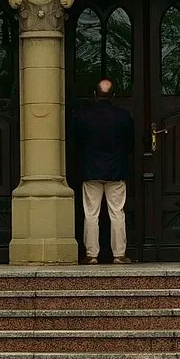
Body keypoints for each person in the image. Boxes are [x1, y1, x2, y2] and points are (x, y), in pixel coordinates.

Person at [72, 74, 133, 264]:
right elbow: (130, 144)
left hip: (91, 171)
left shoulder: (83, 116)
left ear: (94, 95)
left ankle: (91, 255)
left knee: (91, 213)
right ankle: (119, 254)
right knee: (117, 213)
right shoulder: (123, 116)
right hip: (116, 170)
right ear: (112, 95)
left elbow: (77, 144)